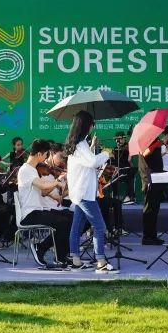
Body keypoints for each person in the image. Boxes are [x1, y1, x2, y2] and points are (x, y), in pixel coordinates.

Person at [65, 111, 116, 272]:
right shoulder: (80, 145)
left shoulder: (78, 144)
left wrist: (92, 146)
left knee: (77, 227)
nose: (93, 126)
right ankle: (101, 261)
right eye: (91, 124)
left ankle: (75, 259)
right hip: (84, 193)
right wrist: (106, 153)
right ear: (86, 125)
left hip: (80, 192)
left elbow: (87, 162)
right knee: (100, 226)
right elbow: (93, 162)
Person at [16, 139, 73, 267]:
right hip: (30, 214)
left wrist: (61, 187)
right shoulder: (26, 169)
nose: (46, 157)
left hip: (38, 211)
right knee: (63, 222)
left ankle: (60, 255)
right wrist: (57, 182)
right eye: (46, 154)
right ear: (39, 154)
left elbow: (44, 190)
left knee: (69, 218)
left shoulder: (32, 169)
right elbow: (42, 185)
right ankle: (44, 249)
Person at [139, 132, 167, 245]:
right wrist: (159, 143)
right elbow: (145, 153)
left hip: (157, 178)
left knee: (154, 208)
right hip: (149, 178)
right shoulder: (145, 139)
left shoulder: (155, 140)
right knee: (149, 208)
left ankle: (152, 235)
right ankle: (147, 237)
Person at [113, 131, 135, 204]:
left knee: (130, 176)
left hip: (126, 169)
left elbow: (130, 160)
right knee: (112, 177)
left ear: (124, 139)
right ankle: (115, 197)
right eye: (117, 139)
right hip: (117, 170)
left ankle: (128, 197)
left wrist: (130, 156)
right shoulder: (115, 149)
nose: (119, 140)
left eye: (121, 139)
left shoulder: (128, 147)